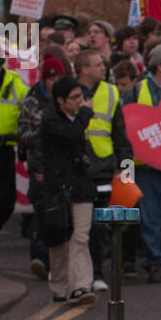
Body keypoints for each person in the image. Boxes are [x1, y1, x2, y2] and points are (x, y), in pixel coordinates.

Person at [122, 44, 161, 282]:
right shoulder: (138, 90)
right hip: (146, 166)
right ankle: (153, 261)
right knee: (149, 216)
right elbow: (126, 122)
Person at [76, 48, 133, 291]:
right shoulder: (69, 90)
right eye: (98, 65)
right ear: (84, 68)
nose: (104, 68)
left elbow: (120, 134)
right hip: (76, 166)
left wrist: (126, 170)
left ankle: (97, 273)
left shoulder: (110, 92)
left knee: (99, 226)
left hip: (102, 165)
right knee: (79, 227)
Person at [40, 75, 97, 307]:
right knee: (59, 240)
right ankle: (60, 286)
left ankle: (80, 286)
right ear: (60, 100)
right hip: (57, 190)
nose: (80, 102)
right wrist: (85, 114)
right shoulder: (51, 121)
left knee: (80, 237)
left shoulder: (74, 118)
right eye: (74, 98)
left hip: (80, 186)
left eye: (81, 97)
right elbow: (70, 135)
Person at [18, 54, 68, 278]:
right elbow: (24, 134)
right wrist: (44, 131)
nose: (55, 82)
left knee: (60, 213)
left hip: (63, 164)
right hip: (39, 163)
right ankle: (39, 258)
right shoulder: (32, 100)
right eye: (51, 78)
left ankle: (57, 262)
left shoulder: (67, 97)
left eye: (59, 77)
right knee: (40, 209)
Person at [0, 43, 28, 250]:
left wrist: (19, 135)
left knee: (6, 201)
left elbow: (28, 116)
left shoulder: (16, 83)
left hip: (4, 149)